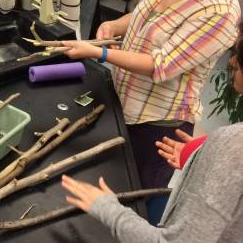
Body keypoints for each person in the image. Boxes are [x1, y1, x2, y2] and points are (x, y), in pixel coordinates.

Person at [62, 0, 240, 191]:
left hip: (158, 124)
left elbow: (161, 65)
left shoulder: (219, 12)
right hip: (125, 99)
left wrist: (99, 52)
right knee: (111, 182)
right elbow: (146, 12)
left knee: (140, 193)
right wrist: (117, 25)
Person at [60, 26, 243, 242]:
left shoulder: (233, 145)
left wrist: (107, 208)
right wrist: (202, 158)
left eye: (238, 57)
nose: (231, 62)